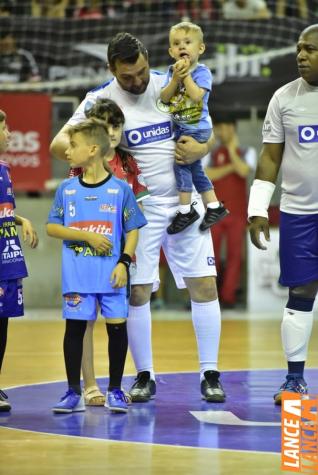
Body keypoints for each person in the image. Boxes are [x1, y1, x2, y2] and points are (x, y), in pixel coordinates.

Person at [50, 32, 227, 404]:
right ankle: (144, 375)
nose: (137, 81)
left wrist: (204, 145)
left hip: (184, 201)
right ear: (112, 69)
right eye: (127, 77)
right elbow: (57, 146)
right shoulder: (99, 99)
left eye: (142, 72)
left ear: (148, 59)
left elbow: (204, 124)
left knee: (205, 285)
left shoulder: (171, 82)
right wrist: (98, 156)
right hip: (138, 210)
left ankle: (210, 373)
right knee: (138, 292)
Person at [47, 118, 147, 413]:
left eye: (73, 145)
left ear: (92, 149)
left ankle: (115, 390)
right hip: (78, 278)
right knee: (74, 331)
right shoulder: (66, 190)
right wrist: (86, 236)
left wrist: (124, 263)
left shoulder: (120, 190)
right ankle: (72, 391)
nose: (67, 150)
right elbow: (53, 227)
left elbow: (133, 229)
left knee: (117, 331)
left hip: (112, 277)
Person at [248, 24, 318, 405]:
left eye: (310, 49)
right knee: (300, 293)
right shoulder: (283, 98)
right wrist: (258, 207)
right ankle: (294, 380)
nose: (301, 56)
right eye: (298, 48)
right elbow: (271, 155)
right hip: (299, 214)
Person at [75, 98, 150, 406]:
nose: (113, 131)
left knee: (117, 323)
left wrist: (127, 254)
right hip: (85, 257)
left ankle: (115, 387)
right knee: (84, 323)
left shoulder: (130, 165)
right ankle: (89, 385)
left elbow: (137, 216)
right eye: (106, 126)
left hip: (119, 260)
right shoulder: (78, 167)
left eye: (117, 125)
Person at [160, 22, 229, 235]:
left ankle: (185, 210)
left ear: (200, 48)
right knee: (195, 169)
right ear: (171, 51)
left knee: (180, 164)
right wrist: (175, 79)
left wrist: (186, 76)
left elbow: (197, 96)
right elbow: (164, 98)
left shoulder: (201, 71)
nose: (182, 46)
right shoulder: (172, 71)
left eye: (188, 42)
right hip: (182, 127)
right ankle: (215, 207)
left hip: (197, 127)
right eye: (177, 43)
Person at [0, 109, 38, 412]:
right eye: (4, 128)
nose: (10, 134)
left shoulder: (3, 167)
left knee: (2, 324)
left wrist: (20, 218)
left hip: (6, 255)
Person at [206, 118, 256, 308]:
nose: (222, 132)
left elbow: (243, 171)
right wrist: (230, 167)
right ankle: (211, 296)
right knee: (212, 256)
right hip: (216, 211)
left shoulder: (246, 151)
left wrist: (232, 150)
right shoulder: (210, 153)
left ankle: (228, 297)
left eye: (225, 127)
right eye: (219, 128)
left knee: (236, 255)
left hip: (237, 213)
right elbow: (208, 174)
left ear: (233, 129)